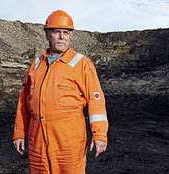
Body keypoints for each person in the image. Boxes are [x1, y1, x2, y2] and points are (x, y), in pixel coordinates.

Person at [12, 10, 109, 173]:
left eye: (66, 33)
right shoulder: (36, 65)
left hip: (68, 145)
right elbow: (24, 102)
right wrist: (19, 133)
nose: (62, 37)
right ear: (47, 34)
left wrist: (99, 135)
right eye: (57, 32)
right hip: (38, 144)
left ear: (70, 35)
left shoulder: (82, 64)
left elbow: (96, 102)